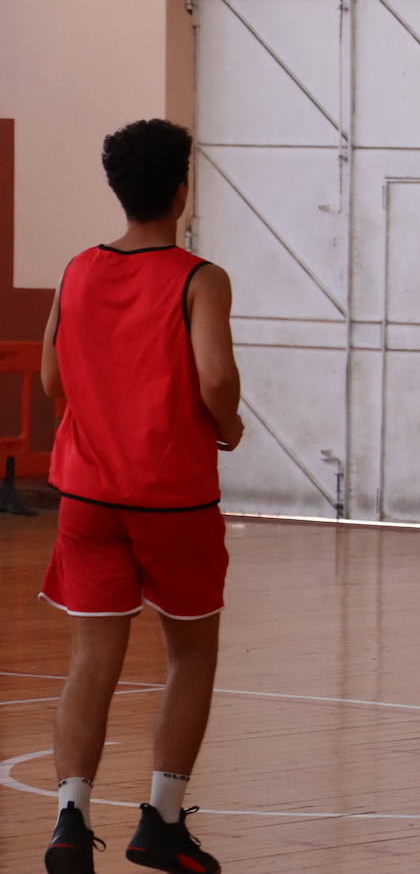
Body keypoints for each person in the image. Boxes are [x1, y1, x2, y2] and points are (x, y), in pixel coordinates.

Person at [38, 118, 242, 874]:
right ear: (181, 191)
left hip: (86, 495)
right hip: (173, 497)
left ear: (118, 190)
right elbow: (215, 378)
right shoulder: (199, 278)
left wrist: (96, 426)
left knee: (92, 658)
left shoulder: (76, 270)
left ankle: (69, 817)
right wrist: (231, 424)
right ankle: (160, 820)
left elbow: (52, 380)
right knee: (190, 653)